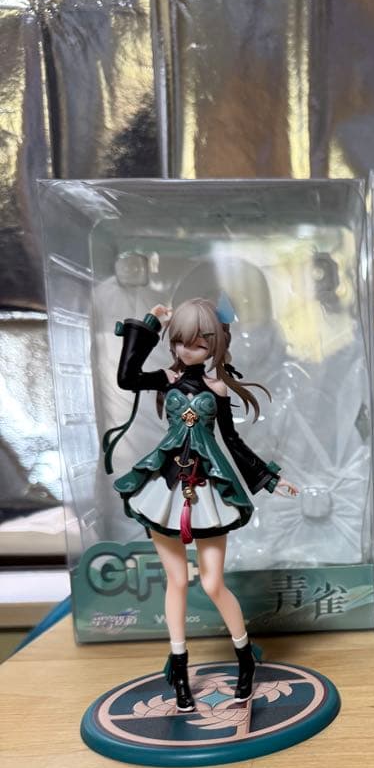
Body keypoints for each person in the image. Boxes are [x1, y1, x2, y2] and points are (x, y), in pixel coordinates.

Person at [103, 297, 298, 712]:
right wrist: (150, 324)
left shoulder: (218, 389)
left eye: (197, 344)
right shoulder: (167, 378)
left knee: (212, 583)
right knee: (176, 580)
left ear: (214, 345)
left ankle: (245, 658)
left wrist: (269, 479)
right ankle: (179, 668)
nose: (186, 350)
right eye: (179, 342)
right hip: (164, 488)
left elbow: (233, 442)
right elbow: (126, 378)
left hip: (207, 489)